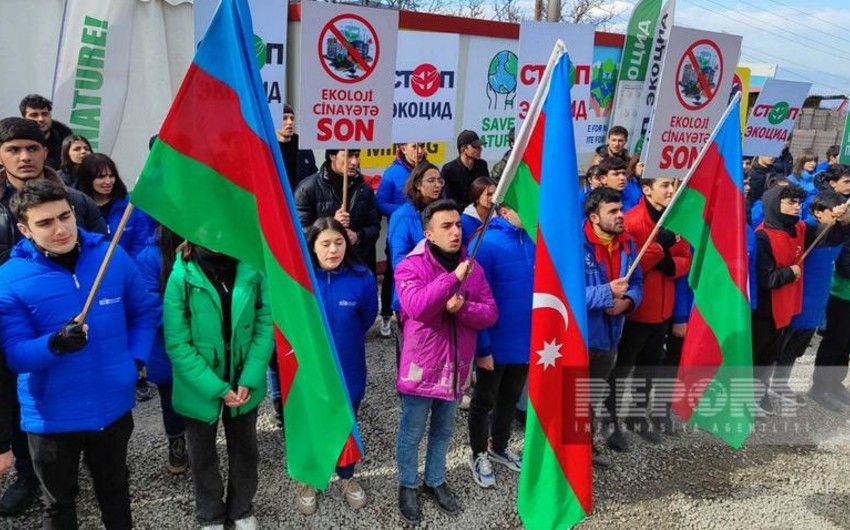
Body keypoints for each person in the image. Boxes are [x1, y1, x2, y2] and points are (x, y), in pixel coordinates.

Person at [0, 178, 157, 529]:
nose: (60, 229)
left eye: (65, 216)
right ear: (25, 229)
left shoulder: (111, 255)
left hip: (112, 406)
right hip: (52, 417)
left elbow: (144, 312)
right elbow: (14, 353)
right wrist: (53, 344)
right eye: (45, 222)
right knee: (58, 502)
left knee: (115, 489)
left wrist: (135, 361)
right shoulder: (9, 279)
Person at [0, 117, 106, 517]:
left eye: (32, 148)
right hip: (12, 315)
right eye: (13, 150)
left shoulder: (74, 199)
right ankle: (32, 476)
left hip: (71, 315)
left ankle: (93, 468)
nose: (24, 157)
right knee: (19, 399)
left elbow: (100, 248)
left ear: (46, 149)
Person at [395, 199, 497, 525]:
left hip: (456, 368)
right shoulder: (411, 266)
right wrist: (452, 278)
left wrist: (463, 308)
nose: (456, 232)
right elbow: (416, 306)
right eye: (446, 226)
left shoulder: (474, 266)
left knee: (443, 431)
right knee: (412, 431)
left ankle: (435, 479)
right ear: (429, 233)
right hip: (422, 366)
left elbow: (490, 312)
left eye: (457, 225)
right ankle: (408, 484)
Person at [163, 243, 273, 530]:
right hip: (199, 388)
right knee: (202, 454)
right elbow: (177, 343)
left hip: (243, 383)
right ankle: (209, 512)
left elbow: (265, 326)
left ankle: (241, 508)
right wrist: (217, 388)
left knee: (246, 450)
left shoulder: (253, 268)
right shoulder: (181, 276)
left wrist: (249, 377)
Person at [294, 218, 378, 515]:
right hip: (309, 370)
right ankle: (310, 479)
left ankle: (346, 476)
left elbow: (368, 317)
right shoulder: (300, 278)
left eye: (339, 242)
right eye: (325, 244)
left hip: (349, 366)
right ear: (313, 247)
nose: (333, 250)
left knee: (346, 422)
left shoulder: (363, 277)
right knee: (311, 422)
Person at [605, 178, 691, 452]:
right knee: (620, 371)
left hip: (663, 310)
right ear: (646, 189)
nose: (671, 191)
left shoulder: (675, 218)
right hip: (635, 313)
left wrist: (667, 262)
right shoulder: (631, 221)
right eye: (665, 185)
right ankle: (611, 422)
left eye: (674, 186)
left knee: (650, 368)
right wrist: (660, 250)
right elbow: (629, 264)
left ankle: (637, 414)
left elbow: (686, 258)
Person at [752, 185, 848, 414]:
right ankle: (746, 397)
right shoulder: (762, 235)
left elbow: (830, 237)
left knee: (770, 356)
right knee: (756, 356)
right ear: (775, 204)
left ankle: (760, 393)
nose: (797, 207)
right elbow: (766, 278)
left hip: (787, 307)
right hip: (766, 309)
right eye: (790, 202)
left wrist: (841, 220)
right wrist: (789, 273)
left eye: (798, 202)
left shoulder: (800, 229)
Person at [466, 204, 533, 488]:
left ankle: (499, 445)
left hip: (526, 342)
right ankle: (479, 452)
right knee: (484, 401)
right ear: (505, 210)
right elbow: (474, 301)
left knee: (510, 396)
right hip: (494, 344)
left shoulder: (534, 240)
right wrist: (482, 348)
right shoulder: (485, 245)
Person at [582, 187, 643, 468]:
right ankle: (566, 456)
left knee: (592, 397)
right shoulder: (574, 245)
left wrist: (627, 302)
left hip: (610, 338)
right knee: (573, 400)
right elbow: (565, 294)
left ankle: (587, 449)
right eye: (614, 212)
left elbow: (638, 283)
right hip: (581, 338)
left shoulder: (628, 243)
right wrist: (606, 293)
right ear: (594, 217)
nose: (621, 216)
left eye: (621, 209)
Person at [135, 225, 188, 474]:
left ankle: (202, 447)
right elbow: (148, 306)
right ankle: (177, 445)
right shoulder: (149, 256)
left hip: (205, 343)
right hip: (168, 345)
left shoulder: (203, 247)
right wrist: (189, 318)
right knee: (171, 400)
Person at [295, 149, 381, 269]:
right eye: (348, 156)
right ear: (332, 156)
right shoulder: (307, 189)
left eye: (357, 156)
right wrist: (330, 224)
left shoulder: (365, 189)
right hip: (322, 267)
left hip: (356, 264)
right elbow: (298, 231)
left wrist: (358, 236)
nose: (354, 162)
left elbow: (375, 228)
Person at [376, 142, 426, 337]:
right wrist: (404, 213)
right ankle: (388, 313)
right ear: (403, 149)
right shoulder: (391, 173)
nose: (419, 150)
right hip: (400, 232)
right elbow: (380, 202)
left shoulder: (428, 171)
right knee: (393, 272)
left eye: (422, 146)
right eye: (414, 146)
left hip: (426, 233)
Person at [76, 153, 152, 258]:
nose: (108, 181)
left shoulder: (129, 205)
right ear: (87, 179)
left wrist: (127, 267)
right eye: (101, 177)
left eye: (111, 176)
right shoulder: (78, 207)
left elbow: (140, 242)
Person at [811, 238, 850, 411]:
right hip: (842, 296)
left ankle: (835, 384)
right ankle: (819, 388)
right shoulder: (847, 235)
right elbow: (844, 267)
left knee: (845, 345)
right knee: (834, 342)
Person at [19, 94, 72, 171]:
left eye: (44, 114)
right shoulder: (16, 140)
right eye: (34, 115)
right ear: (24, 119)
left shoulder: (65, 138)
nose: (41, 119)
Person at [441, 130, 489, 206]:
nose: (480, 149)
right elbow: (444, 197)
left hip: (478, 212)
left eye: (479, 146)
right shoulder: (449, 169)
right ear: (463, 150)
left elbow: (487, 189)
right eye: (476, 147)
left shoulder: (482, 165)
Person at [277, 103, 317, 191]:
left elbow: (314, 178)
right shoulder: (267, 147)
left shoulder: (303, 146)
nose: (290, 122)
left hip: (300, 202)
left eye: (292, 118)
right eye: (284, 118)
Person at [460, 176, 496, 245]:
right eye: (489, 194)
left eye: (496, 194)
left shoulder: (500, 217)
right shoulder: (463, 221)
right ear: (477, 198)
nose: (493, 198)